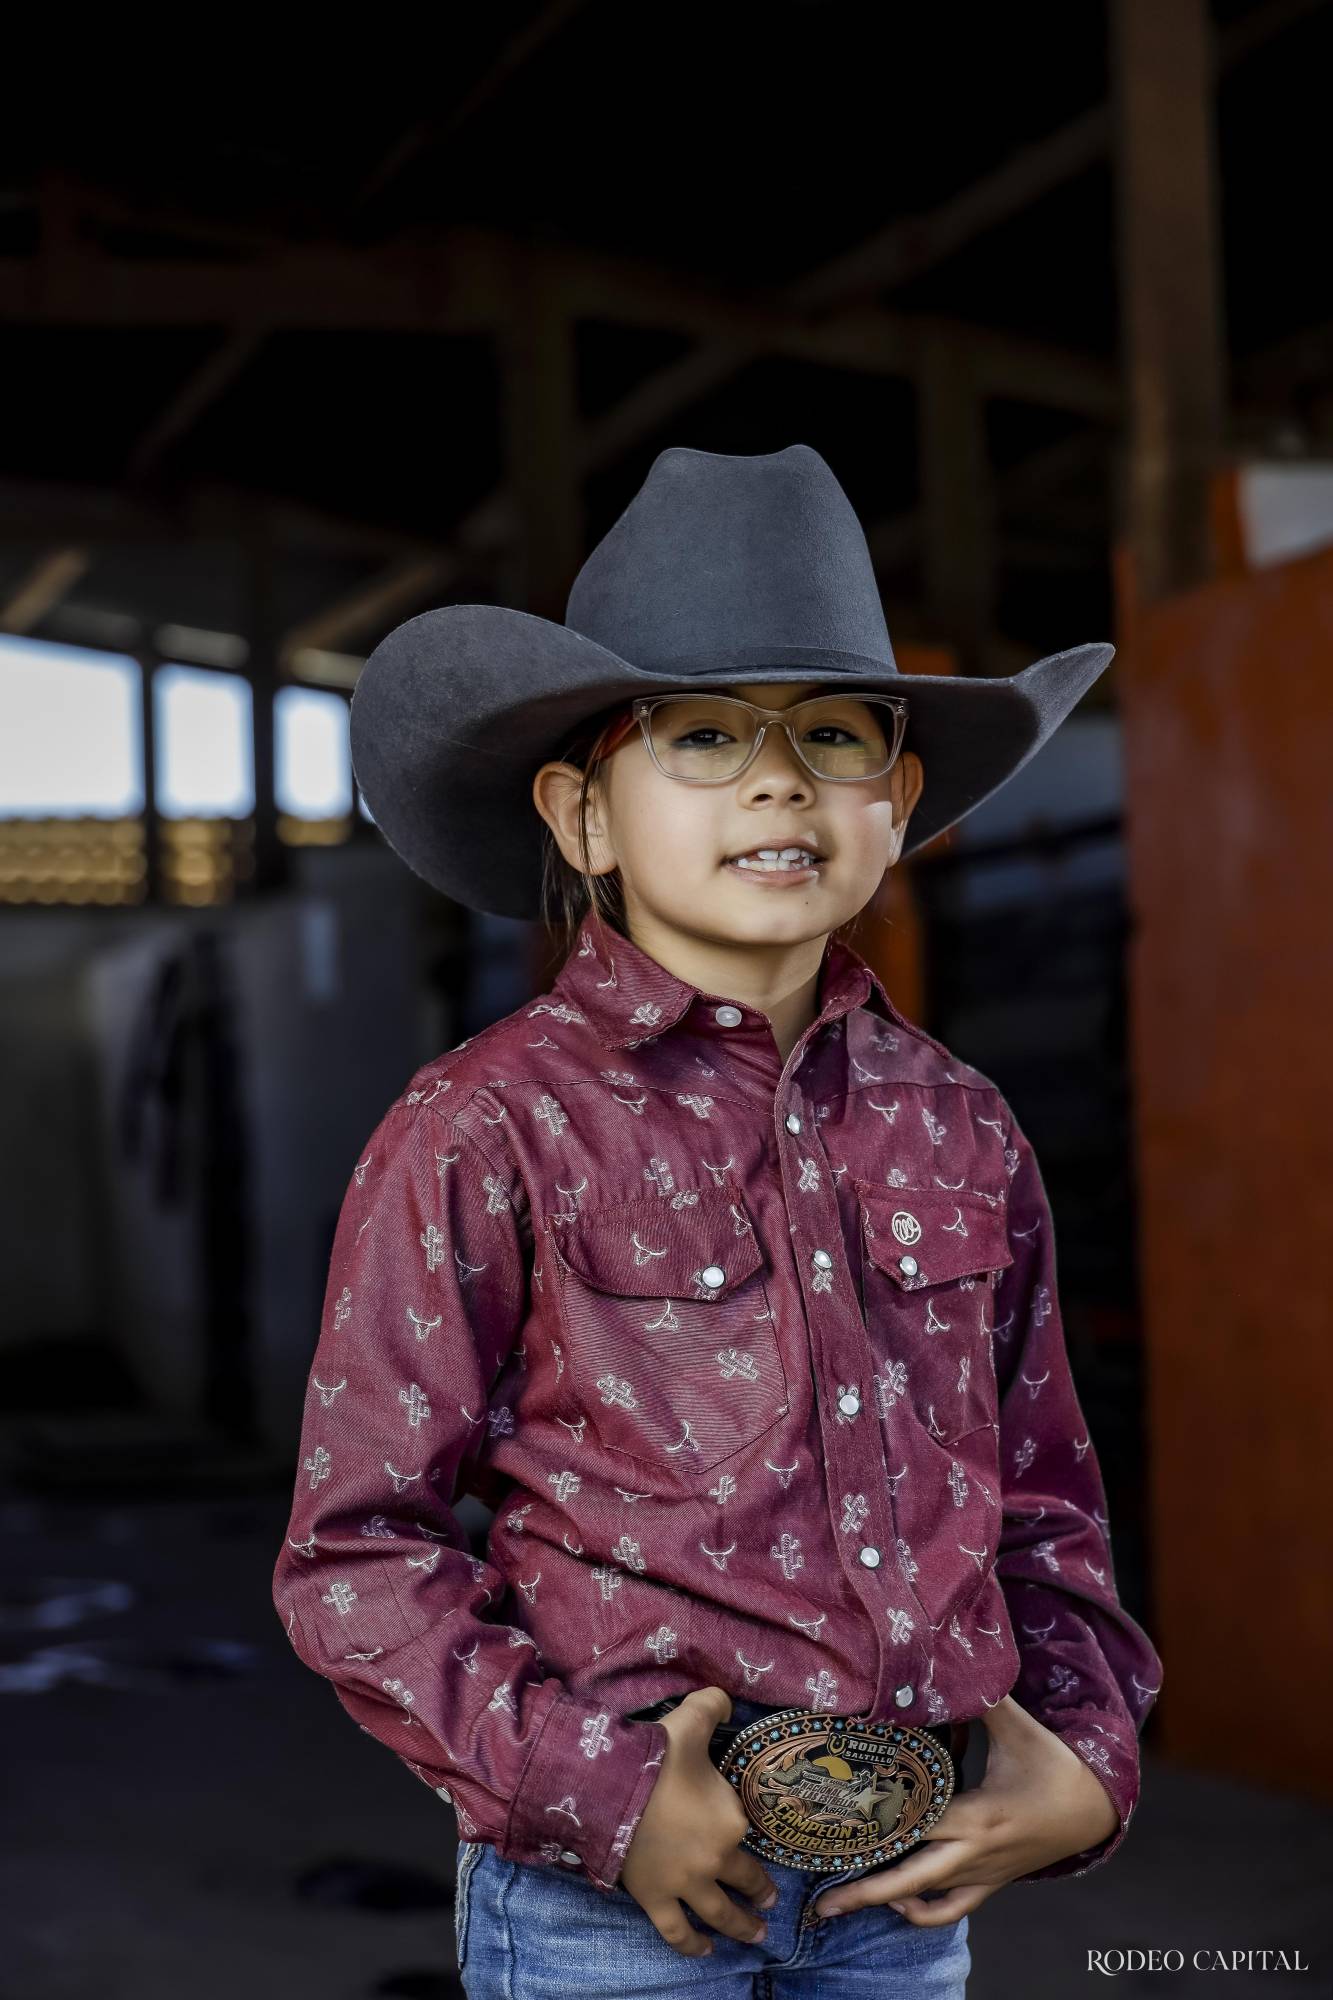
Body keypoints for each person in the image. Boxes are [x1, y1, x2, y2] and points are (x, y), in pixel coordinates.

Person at [272, 445, 1163, 1998]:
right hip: (610, 1898)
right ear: (582, 816)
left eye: (831, 737)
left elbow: (1042, 1502)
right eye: (701, 737)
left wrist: (1090, 1755)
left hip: (910, 1882)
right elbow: (357, 1549)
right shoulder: (485, 1127)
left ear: (895, 806)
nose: (776, 780)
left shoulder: (959, 1123)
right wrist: (597, 1792)